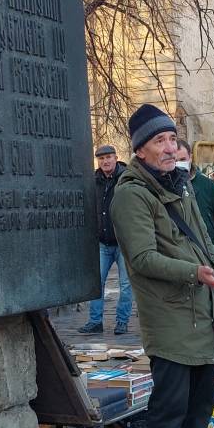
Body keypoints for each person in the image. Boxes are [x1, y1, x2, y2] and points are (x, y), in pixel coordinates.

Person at [110, 104, 214, 428]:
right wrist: (194, 272)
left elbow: (202, 239)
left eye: (171, 139)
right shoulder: (130, 193)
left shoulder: (179, 185)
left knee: (201, 402)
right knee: (169, 409)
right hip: (169, 316)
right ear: (140, 151)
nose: (170, 147)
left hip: (202, 311)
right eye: (159, 141)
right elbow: (142, 258)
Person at [80, 144, 133, 336]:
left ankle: (122, 321)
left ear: (116, 158)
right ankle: (95, 322)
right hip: (102, 242)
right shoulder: (94, 180)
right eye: (101, 158)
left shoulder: (126, 178)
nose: (105, 161)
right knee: (96, 284)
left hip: (123, 243)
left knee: (126, 285)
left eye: (108, 157)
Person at [176, 139, 214, 270]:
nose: (179, 164)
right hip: (178, 256)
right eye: (174, 160)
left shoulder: (208, 186)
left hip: (208, 252)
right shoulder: (162, 188)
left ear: (190, 158)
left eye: (182, 159)